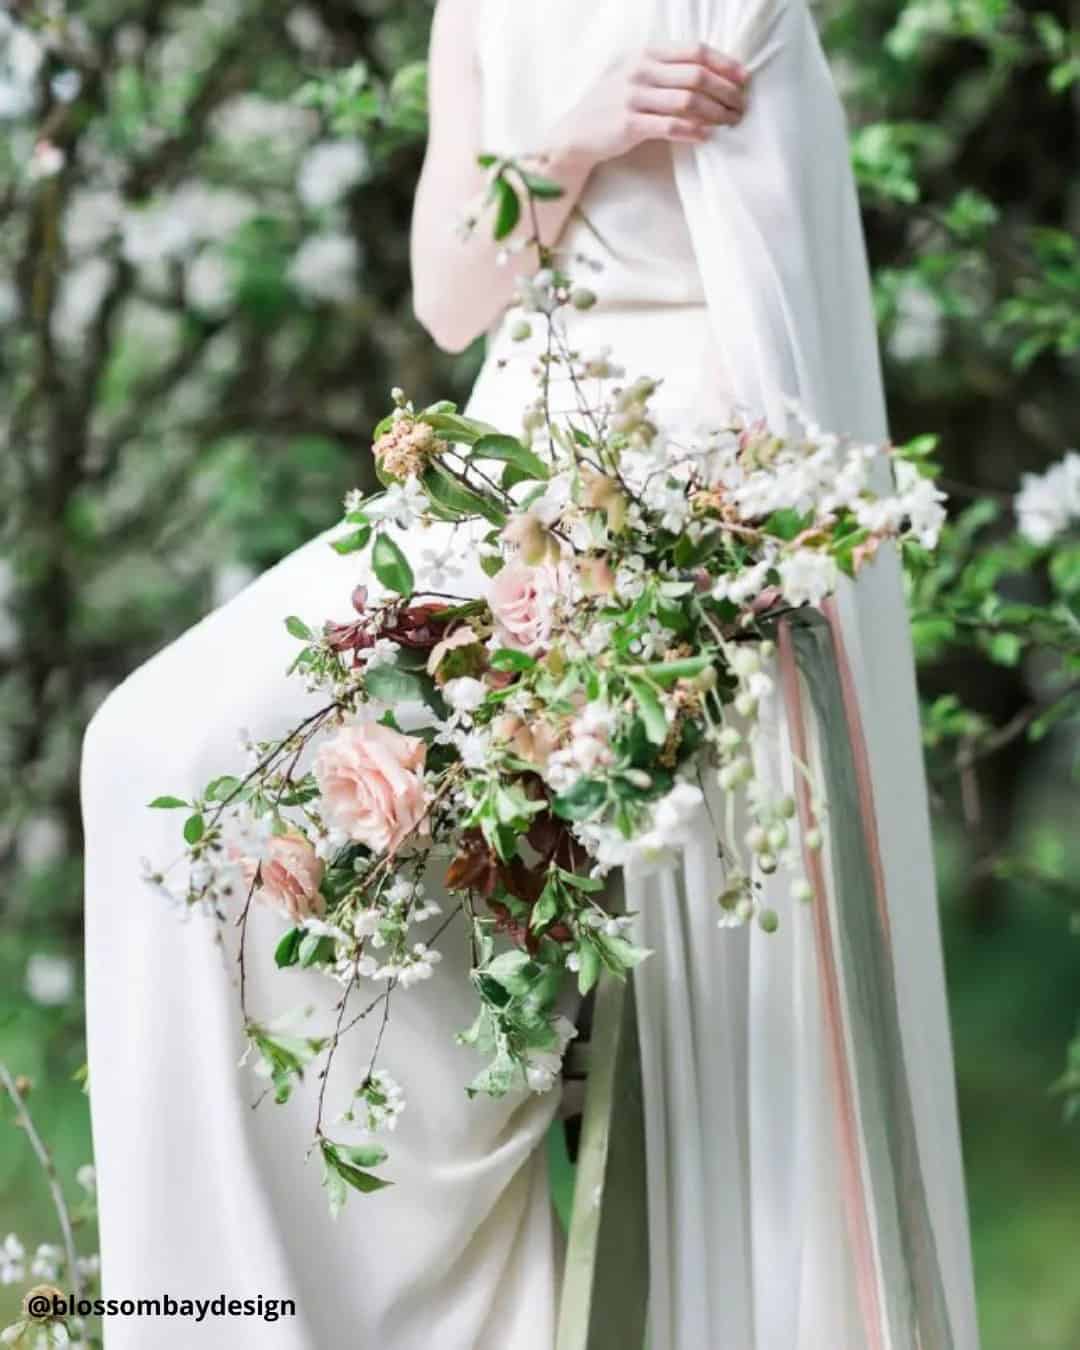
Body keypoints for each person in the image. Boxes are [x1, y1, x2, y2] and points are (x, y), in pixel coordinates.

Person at [82, 1, 981, 1346]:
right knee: (149, 743)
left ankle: (445, 1208)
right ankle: (222, 1311)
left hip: (673, 488)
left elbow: (794, 352)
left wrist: (668, 561)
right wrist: (580, 134)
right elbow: (453, 300)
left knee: (370, 811)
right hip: (502, 454)